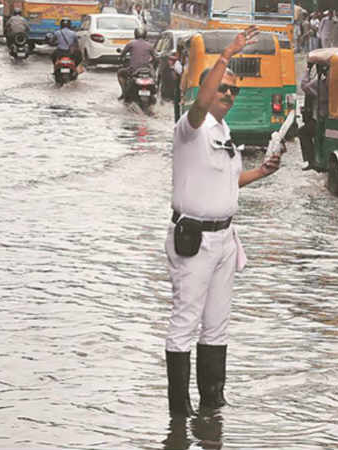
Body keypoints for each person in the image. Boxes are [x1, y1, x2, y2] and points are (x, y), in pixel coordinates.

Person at [165, 25, 282, 418]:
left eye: (235, 90)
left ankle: (212, 404)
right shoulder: (190, 128)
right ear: (207, 90)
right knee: (185, 324)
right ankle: (179, 414)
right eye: (224, 89)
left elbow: (230, 181)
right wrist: (226, 56)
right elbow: (199, 103)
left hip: (224, 239)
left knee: (216, 326)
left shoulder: (224, 131)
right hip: (193, 240)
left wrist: (262, 172)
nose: (230, 95)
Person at [117, 27, 156, 100]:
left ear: (135, 34)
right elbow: (155, 58)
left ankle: (123, 93)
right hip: (146, 70)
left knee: (120, 73)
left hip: (133, 70)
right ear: (145, 35)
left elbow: (122, 54)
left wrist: (121, 57)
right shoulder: (150, 45)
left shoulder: (131, 43)